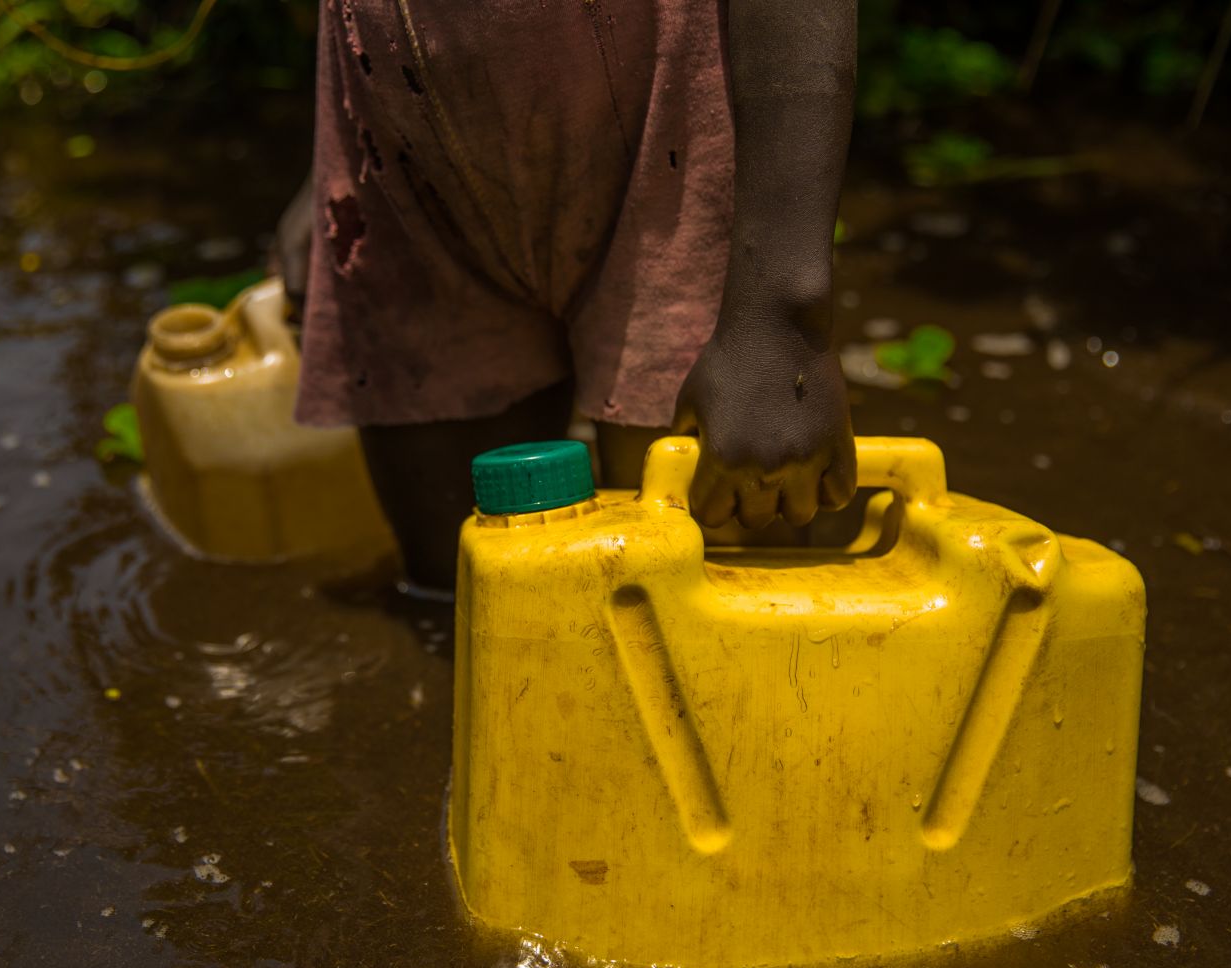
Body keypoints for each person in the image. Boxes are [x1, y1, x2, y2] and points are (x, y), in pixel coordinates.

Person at [274, 0, 858, 593]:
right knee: (457, 593)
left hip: (669, 146)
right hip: (403, 169)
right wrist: (322, 163)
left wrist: (784, 318)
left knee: (707, 616)